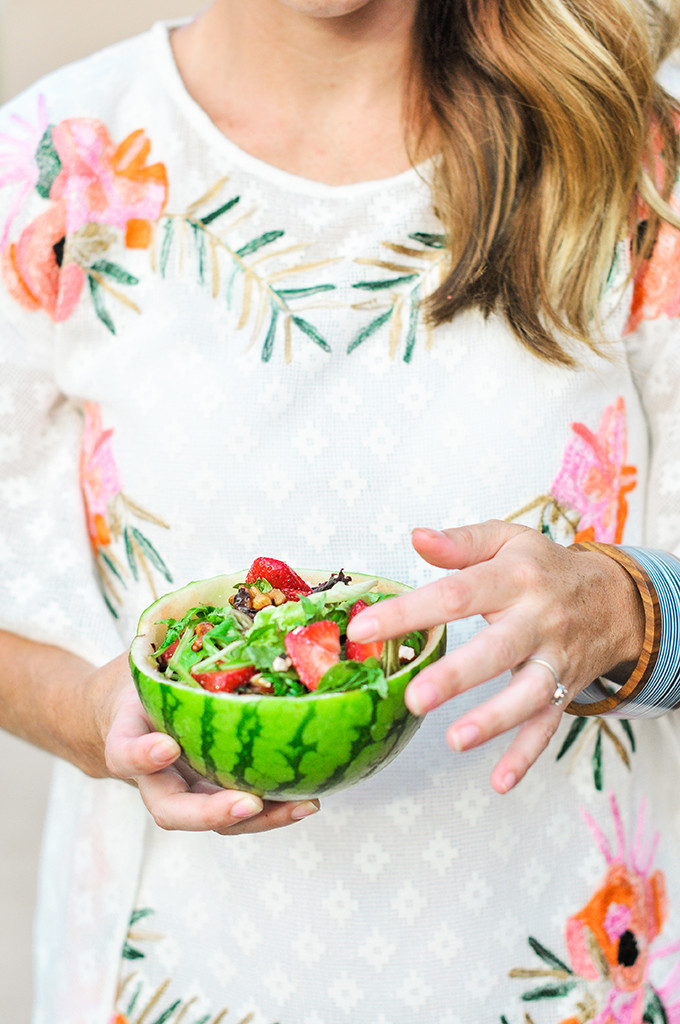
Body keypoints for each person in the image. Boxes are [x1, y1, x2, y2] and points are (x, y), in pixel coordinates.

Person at [1, 0, 680, 1021]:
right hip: (177, 978)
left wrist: (627, 608)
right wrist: (94, 714)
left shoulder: (629, 159)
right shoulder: (50, 168)